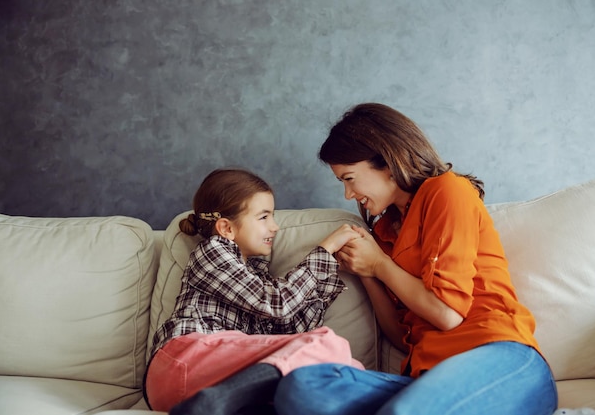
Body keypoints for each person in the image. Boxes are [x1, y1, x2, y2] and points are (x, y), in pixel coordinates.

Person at [273, 103, 559, 415]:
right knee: (302, 388)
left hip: (500, 358)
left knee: (406, 411)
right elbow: (400, 337)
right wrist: (367, 270)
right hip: (427, 377)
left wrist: (381, 266)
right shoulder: (383, 232)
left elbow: (448, 314)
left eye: (350, 178)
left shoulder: (447, 191)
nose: (348, 194)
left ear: (387, 163)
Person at [143, 168, 364, 415]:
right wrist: (325, 250)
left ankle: (224, 401)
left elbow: (291, 333)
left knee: (348, 366)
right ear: (226, 228)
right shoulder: (212, 252)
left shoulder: (257, 276)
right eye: (264, 217)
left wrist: (329, 268)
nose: (275, 227)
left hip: (205, 386)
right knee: (327, 342)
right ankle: (221, 399)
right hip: (182, 363)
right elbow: (278, 305)